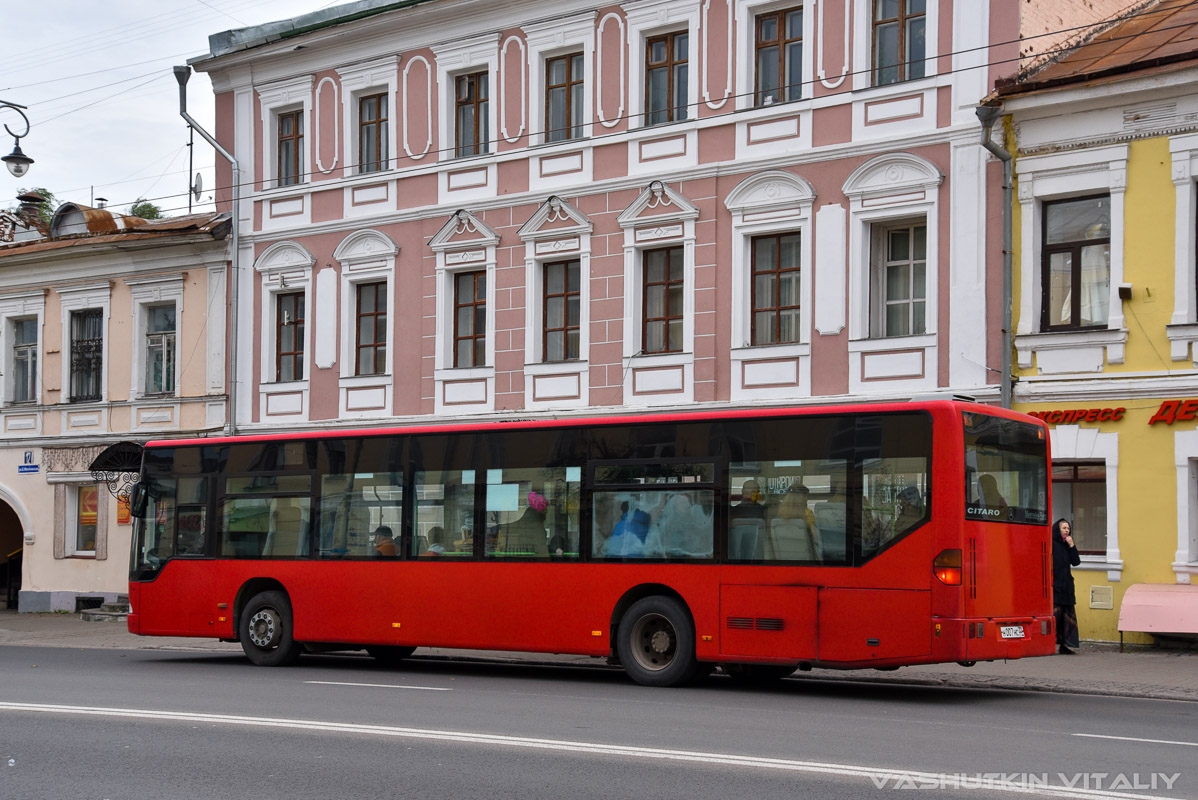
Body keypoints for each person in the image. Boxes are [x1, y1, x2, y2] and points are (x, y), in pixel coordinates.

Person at [1052, 518, 1082, 654]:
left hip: (1067, 587)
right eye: (1064, 528)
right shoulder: (1052, 544)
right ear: (1058, 530)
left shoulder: (1067, 545)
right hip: (1056, 586)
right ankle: (1051, 644)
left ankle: (1066, 645)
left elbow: (1076, 562)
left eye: (1068, 528)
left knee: (1067, 617)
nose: (1066, 530)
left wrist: (1072, 546)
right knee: (1055, 617)